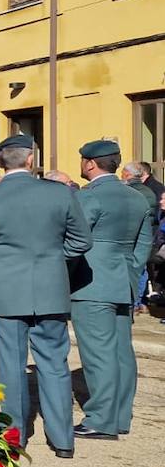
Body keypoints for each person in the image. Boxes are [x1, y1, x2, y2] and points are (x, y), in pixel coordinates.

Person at [0, 134, 90, 458]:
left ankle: (14, 437)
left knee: (11, 365)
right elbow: (81, 241)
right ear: (31, 159)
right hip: (51, 287)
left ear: (1, 162)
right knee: (55, 364)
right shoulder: (59, 193)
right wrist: (54, 259)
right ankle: (62, 440)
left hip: (7, 289)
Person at [69, 141, 155, 440]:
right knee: (121, 351)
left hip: (92, 281)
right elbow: (145, 244)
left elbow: (74, 239)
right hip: (124, 278)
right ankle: (120, 416)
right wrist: (130, 272)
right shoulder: (137, 198)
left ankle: (101, 420)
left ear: (90, 164)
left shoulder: (88, 196)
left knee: (98, 353)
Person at [122, 161, 160, 312]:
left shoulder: (129, 192)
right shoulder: (148, 191)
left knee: (135, 268)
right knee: (141, 267)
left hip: (133, 235)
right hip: (146, 234)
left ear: (128, 175)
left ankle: (134, 301)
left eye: (123, 173)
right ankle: (138, 301)